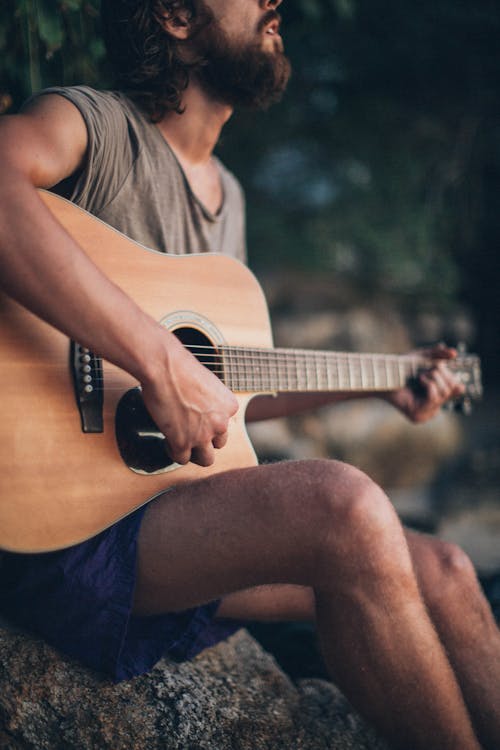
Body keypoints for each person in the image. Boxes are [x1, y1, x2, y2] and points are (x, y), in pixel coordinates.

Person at [0, 1, 498, 748]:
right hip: (61, 529)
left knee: (450, 571)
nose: (278, 3)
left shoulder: (226, 199)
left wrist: (378, 384)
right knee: (345, 504)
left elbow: (218, 397)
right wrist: (157, 355)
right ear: (173, 14)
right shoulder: (92, 124)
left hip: (170, 517)